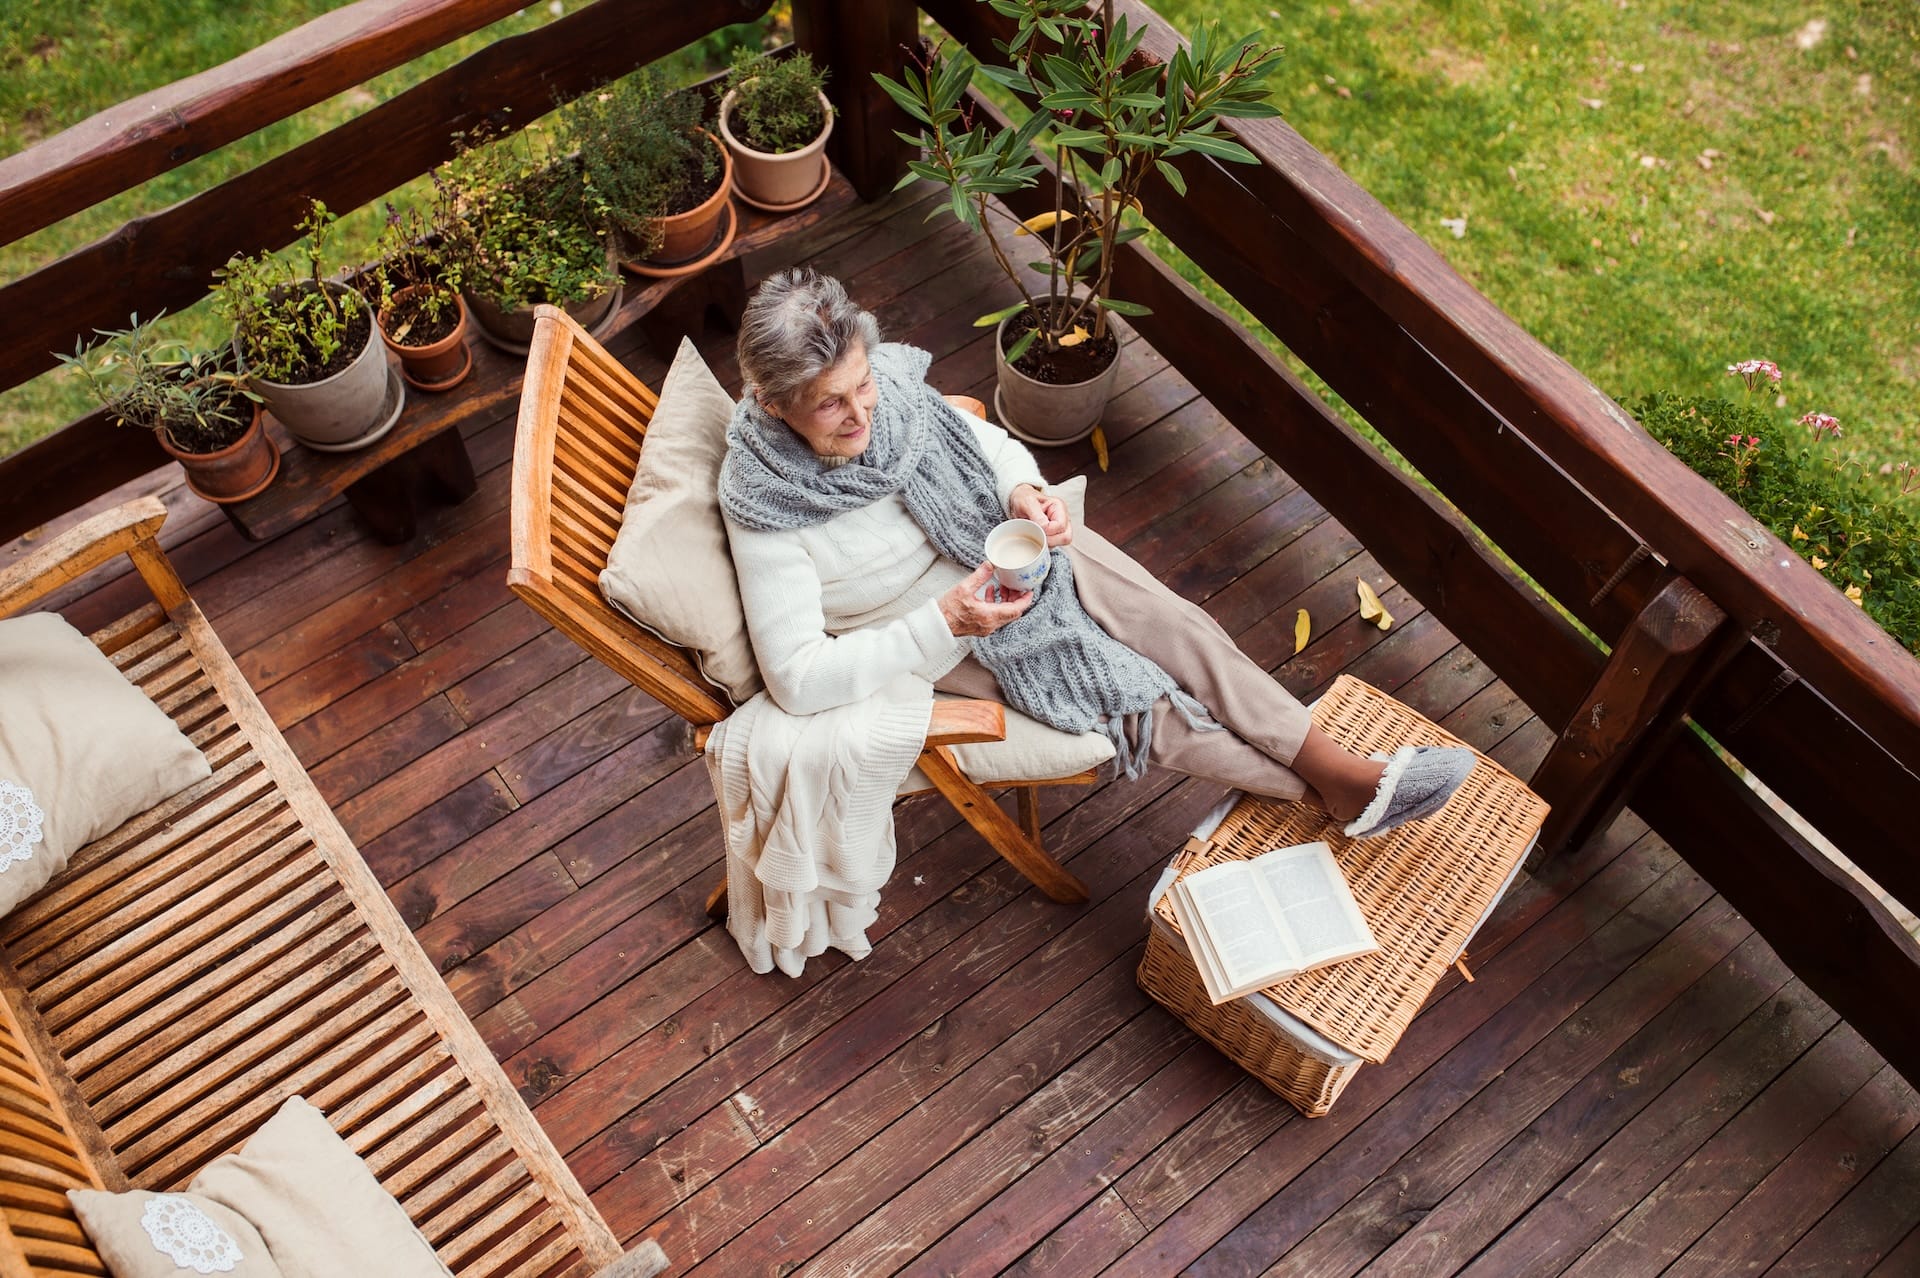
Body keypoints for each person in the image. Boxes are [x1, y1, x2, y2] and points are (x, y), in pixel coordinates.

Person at [718, 268, 1473, 838]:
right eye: (832, 403)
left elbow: (990, 446)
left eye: (862, 386)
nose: (861, 413)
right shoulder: (767, 508)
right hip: (935, 630)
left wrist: (1024, 491)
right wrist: (943, 622)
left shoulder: (891, 393)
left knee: (1175, 627)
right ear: (773, 405)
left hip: (998, 540)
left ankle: (1335, 772)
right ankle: (1336, 788)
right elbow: (796, 679)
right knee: (1133, 699)